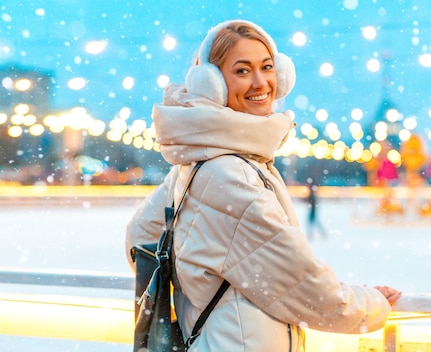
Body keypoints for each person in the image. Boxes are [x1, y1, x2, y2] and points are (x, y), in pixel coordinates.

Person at [125, 19, 401, 352]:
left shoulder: (199, 164)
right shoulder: (228, 175)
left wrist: (197, 287)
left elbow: (141, 238)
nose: (261, 82)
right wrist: (371, 305)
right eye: (242, 71)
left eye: (267, 67)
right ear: (212, 85)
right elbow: (305, 288)